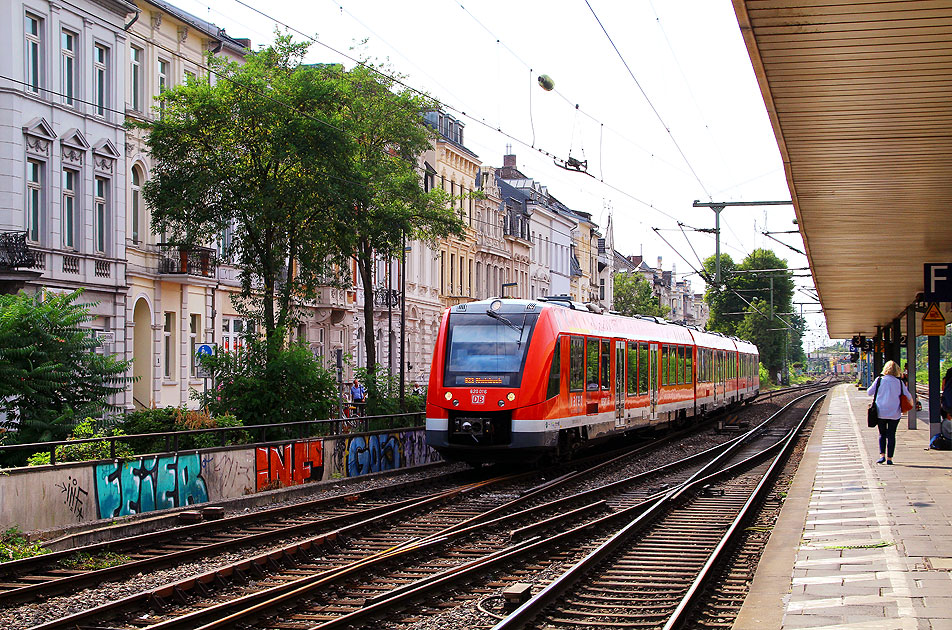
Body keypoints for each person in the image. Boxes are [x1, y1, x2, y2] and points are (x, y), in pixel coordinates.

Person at [867, 360, 911, 465]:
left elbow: (869, 392)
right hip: (895, 413)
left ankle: (882, 456)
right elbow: (908, 396)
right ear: (897, 370)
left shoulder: (879, 380)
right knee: (892, 434)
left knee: (882, 434)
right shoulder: (899, 382)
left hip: (881, 412)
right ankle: (890, 458)